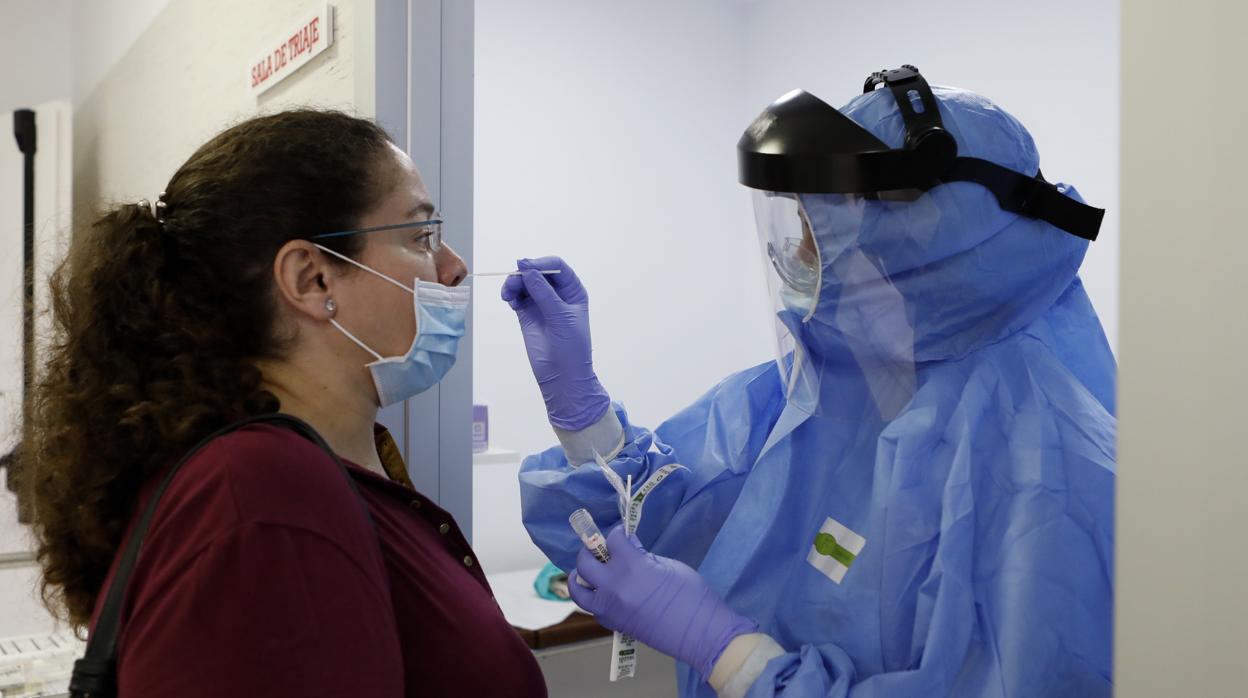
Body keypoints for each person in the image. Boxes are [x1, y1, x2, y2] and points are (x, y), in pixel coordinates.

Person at [503, 66, 1115, 697]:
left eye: (820, 231)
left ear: (920, 239)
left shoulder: (1049, 470)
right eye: (794, 225)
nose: (793, 256)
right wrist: (582, 414)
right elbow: (655, 526)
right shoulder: (822, 391)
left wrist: (731, 655)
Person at [21, 110, 546, 697]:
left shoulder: (292, 470)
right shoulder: (262, 493)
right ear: (311, 279)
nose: (454, 268)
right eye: (420, 236)